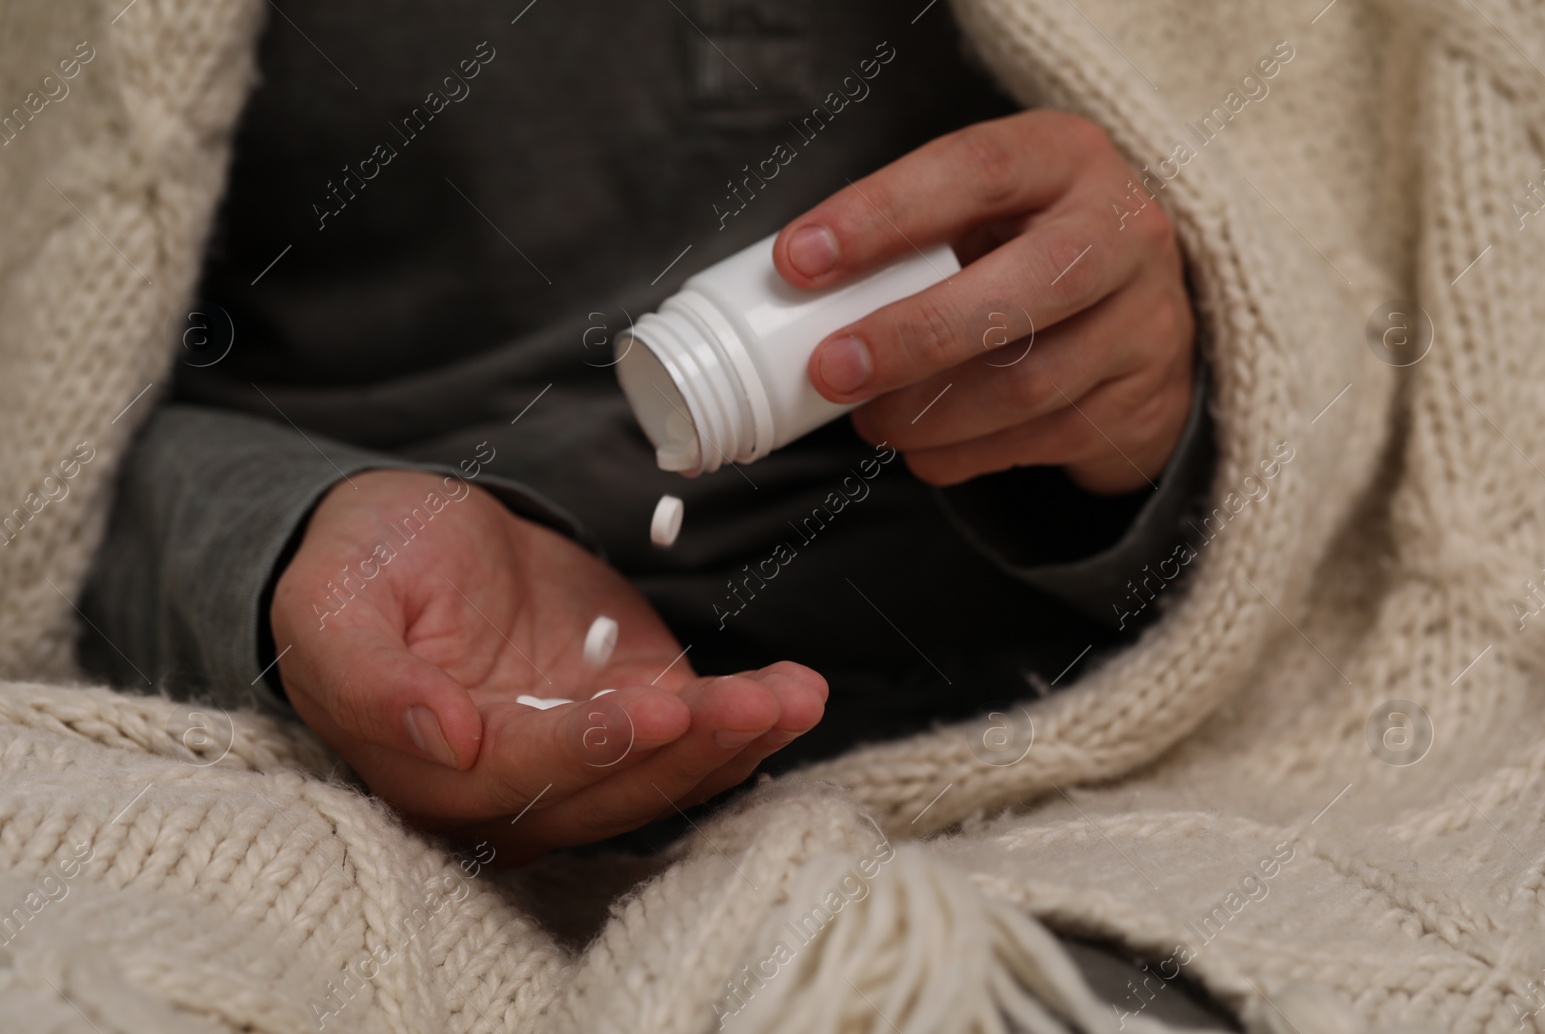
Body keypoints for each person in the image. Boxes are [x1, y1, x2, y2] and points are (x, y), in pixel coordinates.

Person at [79, 2, 1208, 862]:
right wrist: (271, 539)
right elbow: (48, 398)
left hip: (1079, 726)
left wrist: (1165, 403)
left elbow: (1351, 344)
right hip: (319, 722)